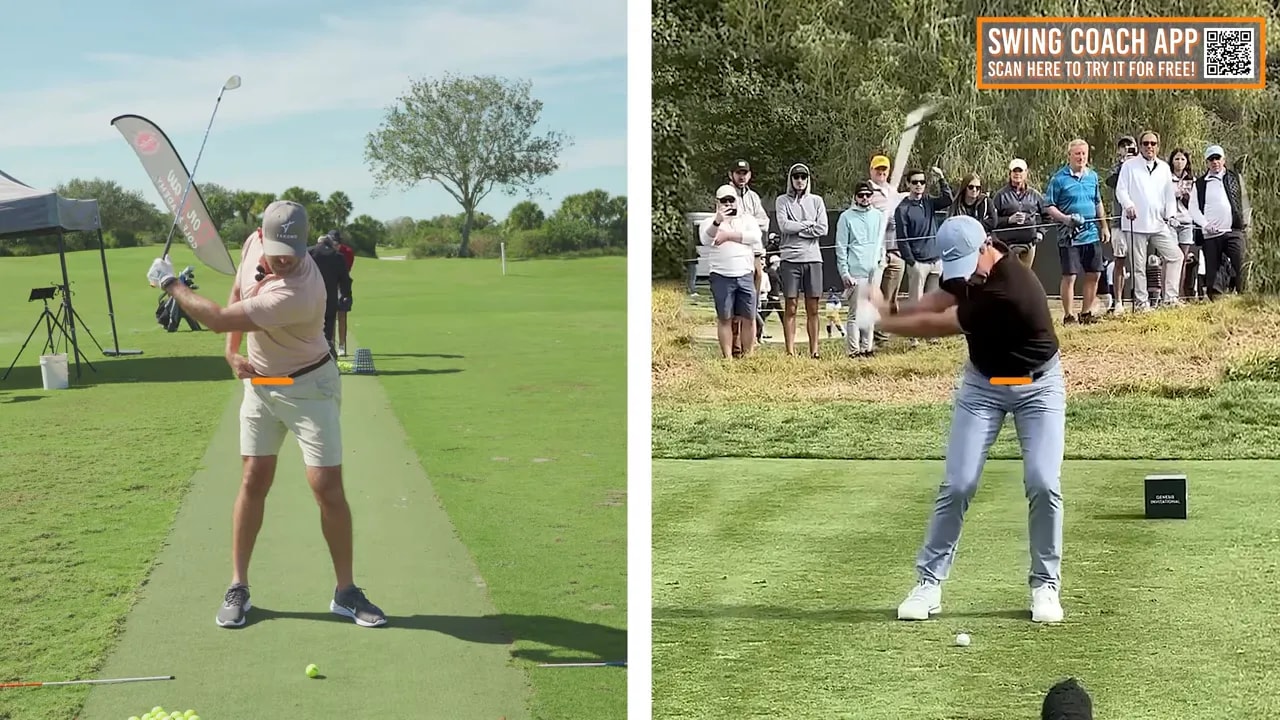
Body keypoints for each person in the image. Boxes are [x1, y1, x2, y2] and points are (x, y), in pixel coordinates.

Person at [146, 199, 387, 629]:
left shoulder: (300, 291)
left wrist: (170, 284)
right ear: (262, 236)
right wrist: (231, 352)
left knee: (326, 486)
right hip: (261, 387)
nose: (284, 260)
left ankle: (345, 592)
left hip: (309, 386)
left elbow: (220, 317)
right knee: (253, 478)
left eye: (293, 253)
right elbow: (238, 293)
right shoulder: (253, 246)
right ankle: (238, 585)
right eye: (277, 251)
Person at [860, 214, 1066, 625]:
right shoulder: (969, 268)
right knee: (957, 484)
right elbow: (940, 299)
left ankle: (1045, 584)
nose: (963, 276)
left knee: (1043, 482)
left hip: (1037, 387)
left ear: (986, 245)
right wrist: (893, 304)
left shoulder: (1013, 287)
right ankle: (928, 583)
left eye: (967, 265)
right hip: (983, 386)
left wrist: (886, 320)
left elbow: (939, 325)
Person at [1114, 130, 1182, 309]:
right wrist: (1128, 205)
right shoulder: (1129, 166)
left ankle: (1170, 299)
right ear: (1140, 146)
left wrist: (1171, 215)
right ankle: (1142, 303)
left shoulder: (1164, 168)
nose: (1149, 147)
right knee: (1138, 266)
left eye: (1153, 143)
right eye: (1145, 143)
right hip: (1135, 224)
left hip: (1159, 224)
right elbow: (1121, 190)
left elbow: (1169, 195)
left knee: (1175, 256)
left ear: (1158, 146)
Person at [1044, 138, 1109, 324]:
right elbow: (1049, 205)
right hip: (1069, 236)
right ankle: (1068, 315)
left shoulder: (1093, 177)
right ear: (1069, 156)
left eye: (1083, 154)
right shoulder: (1058, 179)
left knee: (1094, 273)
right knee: (1070, 275)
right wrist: (1066, 219)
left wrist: (1104, 226)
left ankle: (1086, 313)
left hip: (1091, 233)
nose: (1081, 157)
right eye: (1077, 154)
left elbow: (1098, 202)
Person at [700, 184, 765, 358]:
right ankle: (727, 358)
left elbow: (755, 237)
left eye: (731, 200)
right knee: (725, 318)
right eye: (724, 201)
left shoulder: (747, 219)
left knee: (749, 317)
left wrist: (729, 236)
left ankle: (748, 354)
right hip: (721, 275)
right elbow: (706, 239)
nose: (729, 204)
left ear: (737, 201)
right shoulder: (709, 221)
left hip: (744, 274)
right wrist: (718, 221)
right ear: (717, 202)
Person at [774, 162, 829, 358]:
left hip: (813, 258)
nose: (799, 181)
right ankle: (790, 351)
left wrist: (799, 228)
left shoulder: (816, 201)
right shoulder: (782, 201)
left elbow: (823, 229)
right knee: (791, 305)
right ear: (791, 179)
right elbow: (784, 226)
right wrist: (807, 225)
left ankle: (814, 350)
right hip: (790, 259)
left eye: (803, 177)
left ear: (808, 179)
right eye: (796, 177)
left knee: (813, 306)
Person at [1188, 144, 1249, 299]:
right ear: (1207, 162)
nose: (1215, 162)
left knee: (1241, 262)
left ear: (1223, 160)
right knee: (1214, 269)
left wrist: (1246, 221)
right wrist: (1205, 225)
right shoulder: (1200, 183)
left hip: (1233, 230)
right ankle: (1217, 300)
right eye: (1211, 159)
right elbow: (1193, 208)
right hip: (1211, 233)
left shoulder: (1235, 178)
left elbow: (1244, 201)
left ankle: (1246, 294)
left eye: (1218, 158)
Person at [835, 180, 884, 357]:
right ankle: (853, 351)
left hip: (874, 272)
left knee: (869, 312)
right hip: (855, 272)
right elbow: (841, 247)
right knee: (855, 313)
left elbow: (881, 243)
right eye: (861, 195)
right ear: (855, 197)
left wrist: (880, 265)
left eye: (868, 195)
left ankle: (867, 348)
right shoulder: (846, 217)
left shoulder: (878, 216)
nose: (864, 198)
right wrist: (844, 272)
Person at [992, 158, 1047, 269]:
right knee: (1010, 277)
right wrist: (1009, 220)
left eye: (1020, 171)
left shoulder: (1034, 195)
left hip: (1029, 243)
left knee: (1025, 277)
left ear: (1026, 173)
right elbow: (991, 220)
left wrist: (1040, 232)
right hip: (1007, 245)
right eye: (1014, 171)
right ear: (1010, 173)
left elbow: (1047, 215)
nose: (1017, 174)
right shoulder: (1000, 195)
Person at [308, 232, 353, 359]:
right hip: (329, 300)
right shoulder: (338, 256)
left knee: (310, 330)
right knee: (328, 331)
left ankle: (310, 359)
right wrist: (346, 295)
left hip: (310, 299)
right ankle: (326, 358)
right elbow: (345, 279)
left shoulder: (308, 253)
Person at [332, 230, 356, 356]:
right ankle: (330, 346)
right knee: (330, 318)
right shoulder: (326, 251)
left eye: (337, 243)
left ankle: (341, 345)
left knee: (342, 316)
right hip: (328, 286)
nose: (335, 246)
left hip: (342, 286)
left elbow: (347, 270)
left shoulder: (348, 252)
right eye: (333, 243)